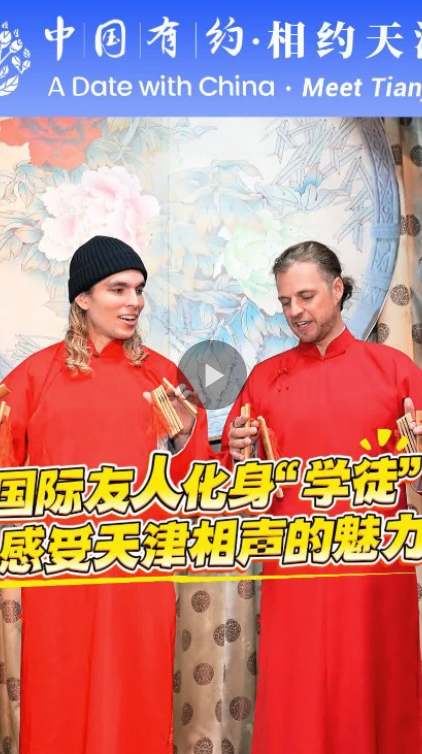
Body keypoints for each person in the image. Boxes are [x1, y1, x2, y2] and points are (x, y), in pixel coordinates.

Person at [2, 235, 208, 754]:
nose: (134, 301)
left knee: (137, 696)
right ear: (82, 298)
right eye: (118, 289)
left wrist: (187, 435)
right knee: (59, 693)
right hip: (62, 571)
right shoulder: (35, 377)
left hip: (139, 569)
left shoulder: (163, 376)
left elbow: (199, 481)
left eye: (139, 290)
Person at [224, 240, 422, 754]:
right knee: (298, 703)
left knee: (377, 695)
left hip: (375, 573)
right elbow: (239, 489)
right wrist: (240, 457)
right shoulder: (264, 379)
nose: (295, 311)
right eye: (285, 301)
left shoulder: (395, 370)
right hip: (296, 574)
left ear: (337, 289)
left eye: (306, 296)